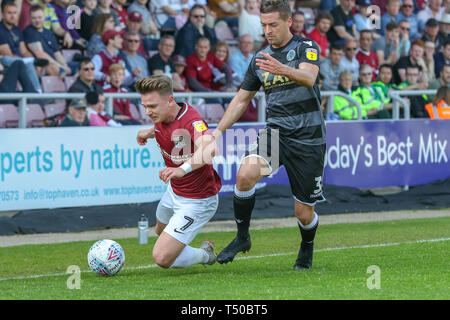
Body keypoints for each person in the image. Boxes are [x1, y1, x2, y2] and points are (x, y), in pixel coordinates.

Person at [211, 0, 325, 270]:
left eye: (273, 24)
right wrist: (217, 131)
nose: (268, 30)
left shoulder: (306, 47)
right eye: (264, 25)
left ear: (289, 22)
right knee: (244, 174)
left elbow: (309, 78)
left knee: (303, 212)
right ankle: (242, 237)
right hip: (276, 133)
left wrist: (281, 68)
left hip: (308, 138)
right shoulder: (259, 58)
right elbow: (241, 99)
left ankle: (306, 248)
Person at [134, 75, 221, 269]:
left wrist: (182, 169)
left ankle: (205, 254)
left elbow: (210, 149)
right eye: (145, 106)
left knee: (162, 258)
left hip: (198, 200)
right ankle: (179, 246)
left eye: (153, 106)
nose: (148, 112)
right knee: (160, 229)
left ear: (170, 100)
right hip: (174, 192)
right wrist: (147, 133)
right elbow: (163, 128)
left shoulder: (191, 120)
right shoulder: (161, 115)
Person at [24, 5, 72, 77]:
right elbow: (40, 54)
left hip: (55, 63)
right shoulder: (29, 31)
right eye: (34, 18)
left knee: (80, 67)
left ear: (44, 17)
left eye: (39, 17)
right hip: (43, 65)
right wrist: (61, 67)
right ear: (30, 19)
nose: (37, 20)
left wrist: (65, 66)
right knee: (56, 70)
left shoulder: (49, 32)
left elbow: (57, 53)